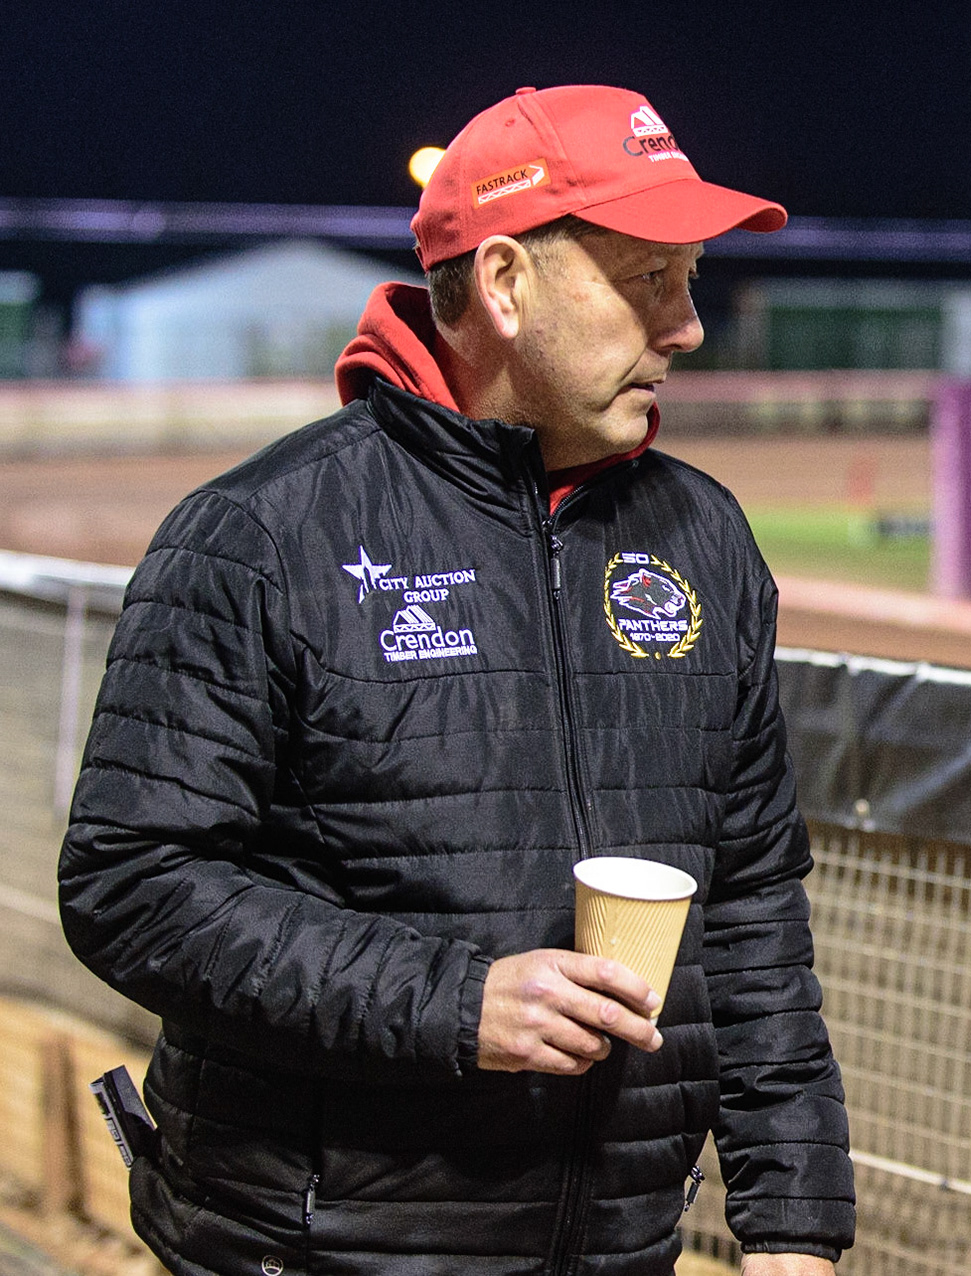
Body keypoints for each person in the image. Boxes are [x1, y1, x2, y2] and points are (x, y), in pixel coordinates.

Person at [60, 84, 854, 1276]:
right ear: (504, 283)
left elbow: (748, 906)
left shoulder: (705, 539)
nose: (688, 326)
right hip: (315, 1249)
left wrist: (793, 1222)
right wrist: (451, 999)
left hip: (616, 1249)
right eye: (651, 280)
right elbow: (130, 883)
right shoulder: (261, 534)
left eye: (689, 279)